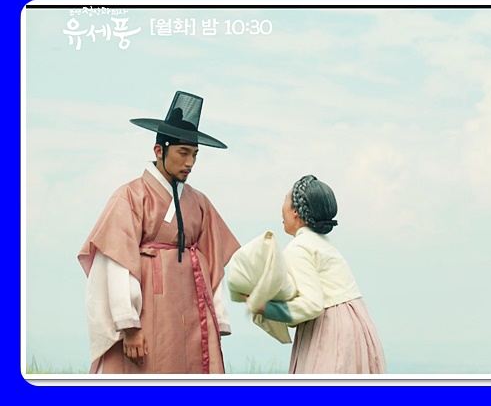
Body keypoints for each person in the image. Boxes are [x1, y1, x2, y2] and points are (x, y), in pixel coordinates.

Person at [77, 91, 241, 374]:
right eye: (183, 153)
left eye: (194, 155)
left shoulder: (199, 202)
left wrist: (217, 316)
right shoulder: (130, 196)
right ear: (159, 150)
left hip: (194, 314)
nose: (190, 163)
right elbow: (117, 263)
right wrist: (129, 325)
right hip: (148, 313)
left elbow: (214, 263)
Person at [250, 175, 387, 374]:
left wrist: (263, 306)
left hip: (330, 332)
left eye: (285, 200)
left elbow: (308, 306)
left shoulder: (298, 247)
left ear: (295, 211)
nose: (282, 208)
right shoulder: (324, 244)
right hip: (358, 327)